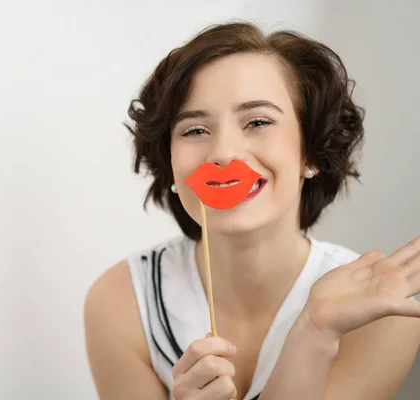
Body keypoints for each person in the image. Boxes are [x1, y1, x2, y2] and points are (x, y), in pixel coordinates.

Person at [83, 21, 420, 400]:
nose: (224, 153)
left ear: (310, 153)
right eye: (194, 130)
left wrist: (314, 331)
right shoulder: (121, 301)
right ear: (171, 163)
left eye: (258, 122)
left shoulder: (381, 316)